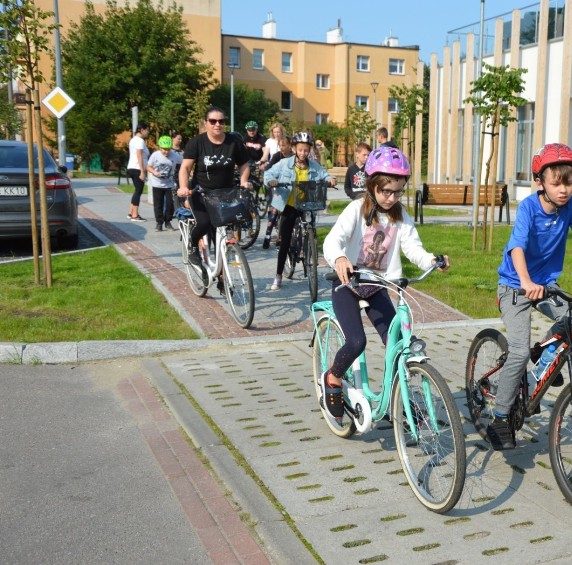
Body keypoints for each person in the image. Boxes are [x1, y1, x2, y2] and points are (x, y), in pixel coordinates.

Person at [486, 143, 572, 451]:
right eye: (556, 182)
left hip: (547, 286)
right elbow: (517, 247)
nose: (564, 189)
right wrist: (524, 280)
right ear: (540, 182)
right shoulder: (528, 208)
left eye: (568, 182)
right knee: (519, 352)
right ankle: (499, 416)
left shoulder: (571, 207)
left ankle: (544, 358)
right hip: (515, 286)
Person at [321, 146, 449, 419]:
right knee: (356, 342)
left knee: (400, 344)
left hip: (378, 285)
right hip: (348, 284)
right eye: (386, 191)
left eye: (398, 191)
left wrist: (431, 261)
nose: (392, 198)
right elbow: (333, 240)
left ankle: (398, 398)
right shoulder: (356, 209)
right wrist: (341, 259)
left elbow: (413, 247)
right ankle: (332, 377)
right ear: (371, 186)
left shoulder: (400, 216)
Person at [177, 106, 252, 271]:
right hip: (200, 192)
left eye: (221, 121)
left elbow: (244, 164)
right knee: (204, 223)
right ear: (206, 123)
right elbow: (185, 169)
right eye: (213, 121)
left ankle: (221, 274)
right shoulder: (197, 142)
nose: (217, 124)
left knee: (225, 230)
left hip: (225, 194)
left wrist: (244, 181)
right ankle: (193, 246)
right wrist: (183, 187)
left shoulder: (234, 143)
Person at [263, 131, 337, 288]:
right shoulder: (285, 164)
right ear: (294, 148)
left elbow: (325, 174)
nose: (303, 153)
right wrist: (272, 181)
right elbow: (268, 173)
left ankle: (308, 247)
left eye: (306, 150)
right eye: (300, 149)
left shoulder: (314, 167)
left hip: (307, 204)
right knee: (285, 241)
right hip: (289, 205)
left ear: (309, 150)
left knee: (310, 229)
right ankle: (278, 275)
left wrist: (330, 179)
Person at [146, 135, 179, 231]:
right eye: (164, 149)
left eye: (168, 149)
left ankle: (168, 222)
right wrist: (154, 172)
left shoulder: (175, 155)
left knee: (170, 204)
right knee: (158, 204)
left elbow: (184, 162)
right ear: (159, 148)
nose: (166, 152)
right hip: (157, 184)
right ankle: (159, 223)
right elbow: (148, 166)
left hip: (169, 184)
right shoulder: (155, 155)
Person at [126, 121, 150, 221]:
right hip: (137, 168)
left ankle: (131, 212)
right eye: (147, 130)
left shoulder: (132, 140)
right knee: (139, 191)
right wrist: (142, 171)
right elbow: (139, 155)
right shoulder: (140, 141)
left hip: (131, 167)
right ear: (142, 130)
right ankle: (135, 215)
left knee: (137, 191)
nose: (148, 132)